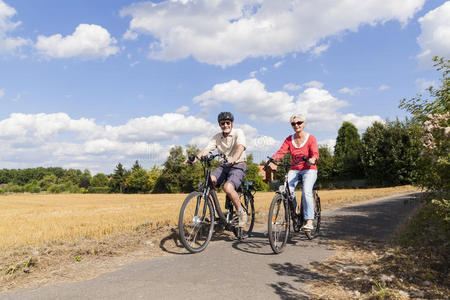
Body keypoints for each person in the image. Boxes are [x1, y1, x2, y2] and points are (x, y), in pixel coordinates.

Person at [190, 112, 248, 227]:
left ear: (232, 123)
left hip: (238, 165)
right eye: (222, 123)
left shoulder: (238, 132)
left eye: (228, 123)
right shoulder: (217, 137)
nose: (225, 125)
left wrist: (234, 158)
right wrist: (196, 158)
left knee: (228, 187)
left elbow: (240, 147)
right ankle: (216, 213)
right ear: (219, 124)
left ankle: (241, 212)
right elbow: (207, 149)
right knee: (208, 181)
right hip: (224, 166)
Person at [269, 114, 319, 231]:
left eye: (299, 122)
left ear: (304, 124)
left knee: (306, 191)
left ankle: (309, 221)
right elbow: (281, 152)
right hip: (294, 169)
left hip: (309, 169)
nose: (296, 125)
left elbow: (315, 153)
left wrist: (312, 159)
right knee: (286, 189)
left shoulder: (311, 138)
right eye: (293, 123)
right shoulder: (289, 139)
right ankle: (295, 210)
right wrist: (272, 160)